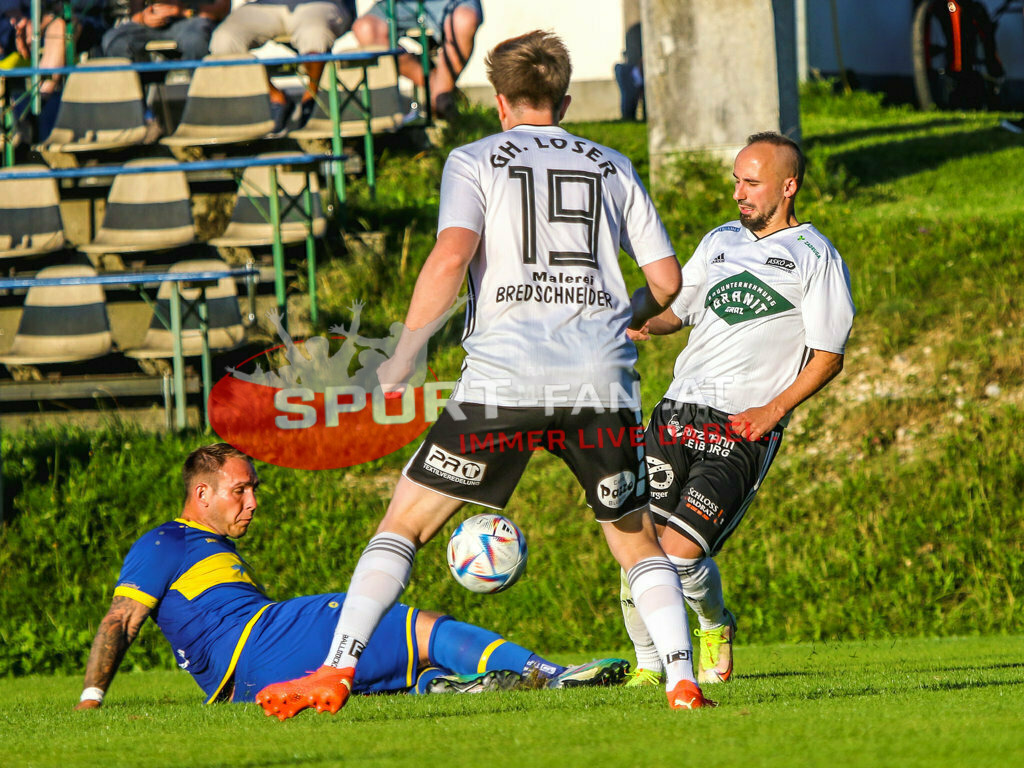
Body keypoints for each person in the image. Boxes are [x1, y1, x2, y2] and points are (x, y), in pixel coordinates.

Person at [256, 30, 713, 720]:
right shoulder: (613, 165)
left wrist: (406, 354)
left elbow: (449, 259)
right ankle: (682, 680)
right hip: (599, 378)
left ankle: (337, 669)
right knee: (634, 537)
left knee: (404, 524)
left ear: (500, 102)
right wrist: (627, 317)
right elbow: (667, 281)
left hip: (505, 378)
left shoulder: (473, 159)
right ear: (562, 100)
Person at [73, 443, 629, 714]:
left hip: (244, 681)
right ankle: (551, 674)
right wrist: (91, 697)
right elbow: (121, 620)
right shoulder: (167, 541)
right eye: (240, 490)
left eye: (254, 488)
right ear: (202, 495)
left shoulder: (210, 550)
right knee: (408, 623)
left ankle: (452, 685)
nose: (253, 502)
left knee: (388, 672)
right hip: (259, 642)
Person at [618, 132, 855, 688]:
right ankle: (648, 668)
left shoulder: (815, 256)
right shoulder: (721, 238)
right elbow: (683, 307)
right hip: (677, 412)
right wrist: (651, 321)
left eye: (751, 183)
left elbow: (828, 357)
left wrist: (772, 411)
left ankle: (713, 621)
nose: (738, 194)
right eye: (735, 180)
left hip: (742, 428)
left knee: (677, 557)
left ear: (788, 186)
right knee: (637, 550)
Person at [209, 0, 356, 135]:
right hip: (265, 5)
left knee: (314, 34)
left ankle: (312, 99)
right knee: (224, 40)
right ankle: (275, 98)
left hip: (319, 4)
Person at [351, 0, 482, 120]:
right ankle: (439, 94)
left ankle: (441, 102)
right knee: (365, 29)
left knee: (465, 20)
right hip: (399, 4)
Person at [101, 0, 231, 63]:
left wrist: (182, 11)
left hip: (193, 21)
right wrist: (145, 17)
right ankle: (132, 108)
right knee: (113, 40)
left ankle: (202, 102)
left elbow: (221, 9)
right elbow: (136, 14)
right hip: (150, 25)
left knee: (195, 41)